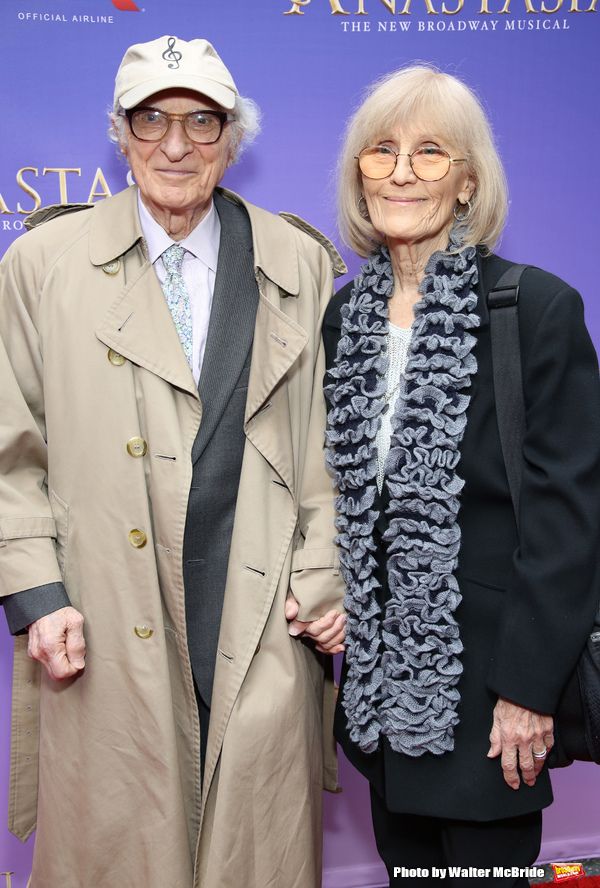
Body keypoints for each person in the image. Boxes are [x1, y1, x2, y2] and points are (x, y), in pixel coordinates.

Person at [0, 35, 346, 888]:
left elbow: (333, 446)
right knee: (119, 848)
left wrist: (324, 570)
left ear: (234, 139)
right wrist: (40, 598)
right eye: (151, 121)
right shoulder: (42, 264)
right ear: (118, 134)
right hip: (104, 613)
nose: (177, 145)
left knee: (255, 849)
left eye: (202, 122)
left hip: (264, 606)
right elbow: (11, 450)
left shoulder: (298, 260)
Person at [323, 65, 600, 887]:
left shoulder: (535, 309)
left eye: (431, 152)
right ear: (359, 174)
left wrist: (527, 691)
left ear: (468, 180)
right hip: (379, 704)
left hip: (490, 704)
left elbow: (569, 521)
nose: (402, 171)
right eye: (382, 151)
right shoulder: (347, 317)